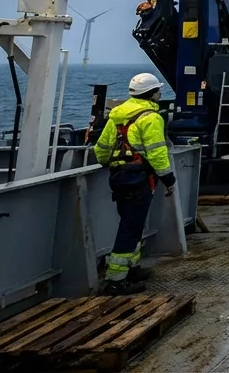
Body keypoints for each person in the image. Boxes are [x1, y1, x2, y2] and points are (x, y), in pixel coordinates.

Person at [92, 72, 176, 295]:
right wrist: (169, 179)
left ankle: (133, 268)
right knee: (130, 227)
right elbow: (157, 153)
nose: (160, 94)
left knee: (134, 223)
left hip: (119, 177)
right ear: (152, 93)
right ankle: (116, 280)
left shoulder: (117, 116)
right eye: (158, 90)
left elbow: (101, 149)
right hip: (138, 179)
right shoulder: (151, 118)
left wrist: (108, 163)